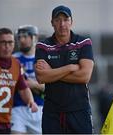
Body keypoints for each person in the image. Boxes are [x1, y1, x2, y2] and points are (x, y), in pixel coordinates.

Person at [35, 5, 94, 134]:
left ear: (71, 22)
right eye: (58, 20)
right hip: (52, 112)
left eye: (66, 19)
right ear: (52, 23)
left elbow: (84, 76)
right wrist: (70, 67)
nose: (62, 24)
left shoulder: (83, 42)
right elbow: (41, 78)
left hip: (79, 110)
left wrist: (52, 72)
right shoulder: (43, 45)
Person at [11, 25, 44, 134]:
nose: (21, 40)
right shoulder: (13, 59)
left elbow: (51, 87)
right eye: (19, 37)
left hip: (40, 107)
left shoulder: (43, 59)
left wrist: (32, 84)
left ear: (34, 38)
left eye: (25, 36)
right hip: (18, 108)